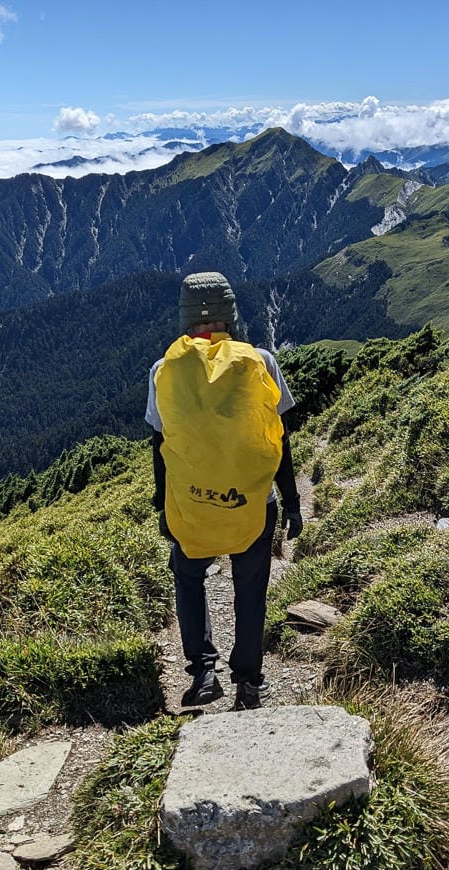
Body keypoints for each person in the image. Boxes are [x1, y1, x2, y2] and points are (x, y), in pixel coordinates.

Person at [145, 272, 302, 710]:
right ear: (230, 314)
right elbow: (278, 439)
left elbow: (160, 446)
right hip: (253, 504)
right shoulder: (261, 361)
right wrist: (292, 502)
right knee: (250, 590)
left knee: (189, 579)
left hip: (193, 504)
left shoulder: (163, 370)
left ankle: (203, 672)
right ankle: (248, 682)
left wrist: (164, 507)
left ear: (185, 317)